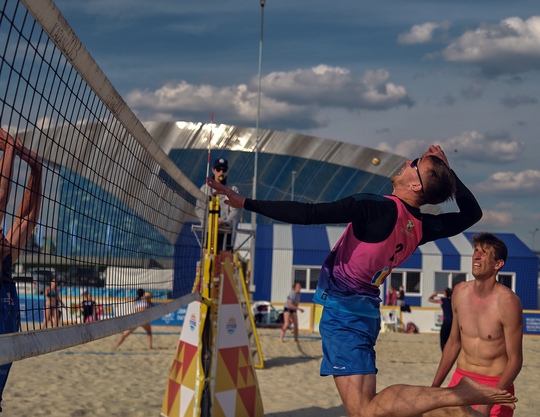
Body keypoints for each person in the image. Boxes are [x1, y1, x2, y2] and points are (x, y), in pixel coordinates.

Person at [207, 145, 517, 416]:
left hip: (344, 314)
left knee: (364, 410)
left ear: (416, 185)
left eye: (414, 163)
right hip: (365, 313)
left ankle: (457, 394)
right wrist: (447, 172)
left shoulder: (375, 207)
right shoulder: (421, 226)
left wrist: (245, 202)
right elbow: (471, 214)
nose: (407, 162)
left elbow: (309, 213)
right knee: (371, 409)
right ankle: (453, 406)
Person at [432, 233, 523, 417]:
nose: (476, 256)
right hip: (461, 381)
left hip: (495, 386)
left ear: (498, 264)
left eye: (484, 253)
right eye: (476, 251)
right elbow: (453, 343)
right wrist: (434, 388)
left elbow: (516, 360)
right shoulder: (460, 291)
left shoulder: (508, 302)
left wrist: (489, 401)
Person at [0, 127, 42, 413]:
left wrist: (37, 170)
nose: (3, 234)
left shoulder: (5, 260)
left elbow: (27, 218)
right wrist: (10, 151)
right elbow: (1, 199)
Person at [195, 157, 239, 252]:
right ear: (213, 170)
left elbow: (235, 210)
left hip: (226, 232)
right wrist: (208, 223)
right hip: (209, 231)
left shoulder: (233, 190)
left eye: (224, 170)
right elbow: (199, 208)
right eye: (218, 169)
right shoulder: (205, 189)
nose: (221, 173)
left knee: (224, 257)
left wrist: (225, 222)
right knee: (208, 256)